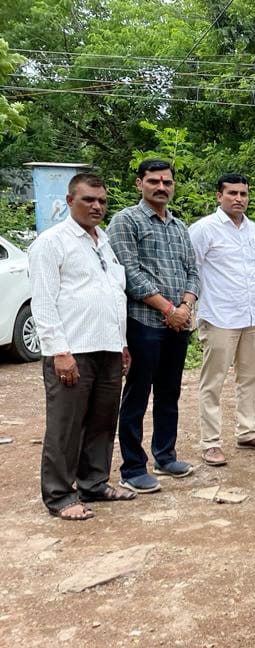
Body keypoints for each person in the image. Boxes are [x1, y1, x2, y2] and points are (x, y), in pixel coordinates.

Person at [29, 173, 136, 520]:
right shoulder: (52, 242)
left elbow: (113, 295)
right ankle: (60, 495)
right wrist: (59, 351)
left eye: (102, 200)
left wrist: (121, 343)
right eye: (89, 199)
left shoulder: (102, 241)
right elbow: (43, 302)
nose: (97, 206)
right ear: (70, 199)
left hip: (107, 347)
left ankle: (94, 482)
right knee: (66, 425)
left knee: (103, 421)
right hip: (72, 350)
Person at [107, 159, 199, 494]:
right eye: (154, 181)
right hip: (144, 322)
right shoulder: (125, 220)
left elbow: (193, 270)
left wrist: (186, 306)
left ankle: (165, 455)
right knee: (137, 394)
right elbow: (128, 272)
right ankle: (132, 467)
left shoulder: (179, 226)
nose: (161, 187)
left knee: (169, 393)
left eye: (167, 182)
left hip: (178, 325)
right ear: (139, 183)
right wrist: (169, 308)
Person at [188, 173, 255, 467]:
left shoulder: (253, 231)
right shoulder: (204, 230)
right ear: (219, 196)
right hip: (218, 316)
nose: (239, 198)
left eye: (243, 193)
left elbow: (254, 271)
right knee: (213, 380)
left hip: (252, 314)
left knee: (251, 377)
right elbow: (192, 271)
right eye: (232, 193)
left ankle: (248, 431)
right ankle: (211, 442)